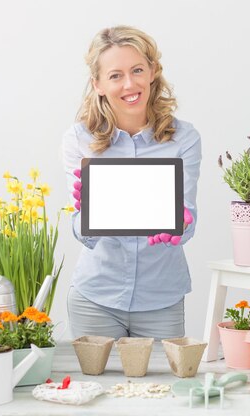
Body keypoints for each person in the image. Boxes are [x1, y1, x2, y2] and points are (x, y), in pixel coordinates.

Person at [62, 26, 201, 340]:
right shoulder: (78, 140)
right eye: (115, 75)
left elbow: (186, 223)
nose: (129, 84)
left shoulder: (184, 139)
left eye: (137, 70)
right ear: (97, 84)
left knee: (161, 389)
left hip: (161, 299)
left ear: (152, 71)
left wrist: (180, 223)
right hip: (96, 298)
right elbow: (82, 233)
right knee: (95, 388)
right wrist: (88, 215)